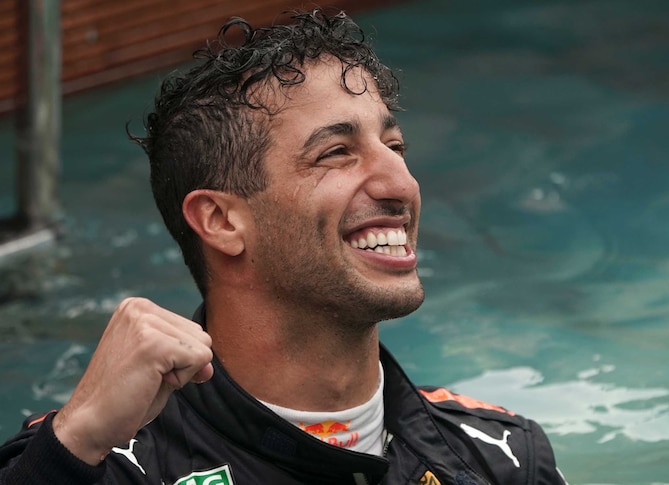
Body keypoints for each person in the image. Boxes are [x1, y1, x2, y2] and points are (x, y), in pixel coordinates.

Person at [0, 9, 566, 485]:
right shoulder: (95, 463)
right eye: (336, 153)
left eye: (394, 145)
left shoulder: (501, 458)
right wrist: (74, 439)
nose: (401, 185)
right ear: (222, 220)